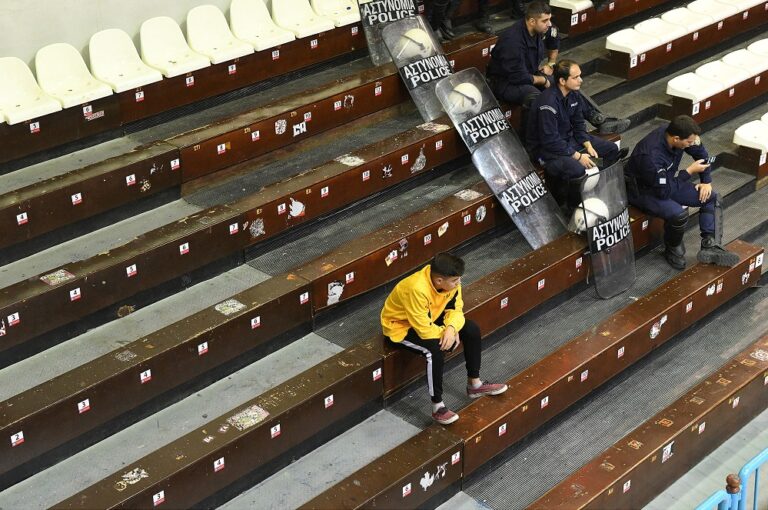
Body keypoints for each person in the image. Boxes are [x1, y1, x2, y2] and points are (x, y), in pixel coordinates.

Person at [381, 252, 508, 425]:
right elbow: (423, 329)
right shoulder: (416, 289)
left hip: (430, 317)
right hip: (401, 327)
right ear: (439, 281)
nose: (459, 283)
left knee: (471, 329)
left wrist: (451, 328)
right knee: (434, 350)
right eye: (455, 281)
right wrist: (446, 332)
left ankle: (475, 384)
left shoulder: (451, 282)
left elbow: (456, 310)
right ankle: (437, 406)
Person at [486, 1, 629, 134]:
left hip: (530, 74)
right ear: (531, 21)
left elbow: (554, 41)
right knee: (538, 98)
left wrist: (550, 64)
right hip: (506, 84)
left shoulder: (541, 28)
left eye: (549, 19)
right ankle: (539, 142)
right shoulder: (512, 41)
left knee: (566, 81)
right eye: (545, 21)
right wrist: (543, 81)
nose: (549, 24)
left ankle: (598, 118)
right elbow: (518, 77)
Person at [624, 115, 739, 269]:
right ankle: (672, 247)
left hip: (668, 182)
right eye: (689, 143)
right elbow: (663, 192)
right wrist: (689, 171)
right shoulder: (651, 156)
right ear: (676, 139)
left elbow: (702, 155)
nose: (692, 145)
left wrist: (706, 181)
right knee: (678, 214)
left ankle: (711, 245)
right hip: (644, 191)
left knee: (712, 197)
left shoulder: (683, 134)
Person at [526, 59, 625, 207]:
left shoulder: (573, 94)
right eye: (575, 77)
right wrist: (578, 156)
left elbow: (579, 124)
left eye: (580, 76)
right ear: (562, 80)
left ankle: (598, 194)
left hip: (568, 140)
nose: (581, 80)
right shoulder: (548, 103)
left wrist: (588, 144)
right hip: (547, 150)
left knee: (611, 150)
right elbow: (550, 141)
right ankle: (572, 207)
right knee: (577, 169)